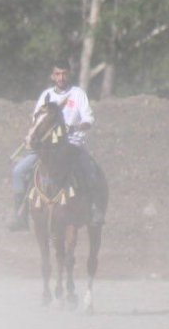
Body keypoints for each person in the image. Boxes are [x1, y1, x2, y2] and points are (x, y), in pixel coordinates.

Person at [9, 60, 108, 230]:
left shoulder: (78, 94)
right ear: (52, 76)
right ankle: (20, 215)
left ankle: (94, 210)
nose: (61, 77)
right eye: (57, 74)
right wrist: (31, 136)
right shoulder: (46, 96)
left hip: (72, 145)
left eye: (64, 74)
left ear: (69, 74)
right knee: (18, 171)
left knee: (91, 171)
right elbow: (37, 120)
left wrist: (75, 127)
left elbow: (88, 119)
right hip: (46, 148)